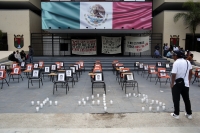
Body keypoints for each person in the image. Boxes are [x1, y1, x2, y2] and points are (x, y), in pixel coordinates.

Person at [170, 51, 193, 119]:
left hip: (176, 84)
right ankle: (189, 114)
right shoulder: (187, 62)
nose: (173, 56)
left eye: (174, 55)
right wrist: (188, 81)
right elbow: (190, 72)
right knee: (186, 99)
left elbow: (174, 74)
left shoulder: (176, 63)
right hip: (185, 83)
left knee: (176, 99)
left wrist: (172, 84)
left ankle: (176, 114)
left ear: (177, 56)